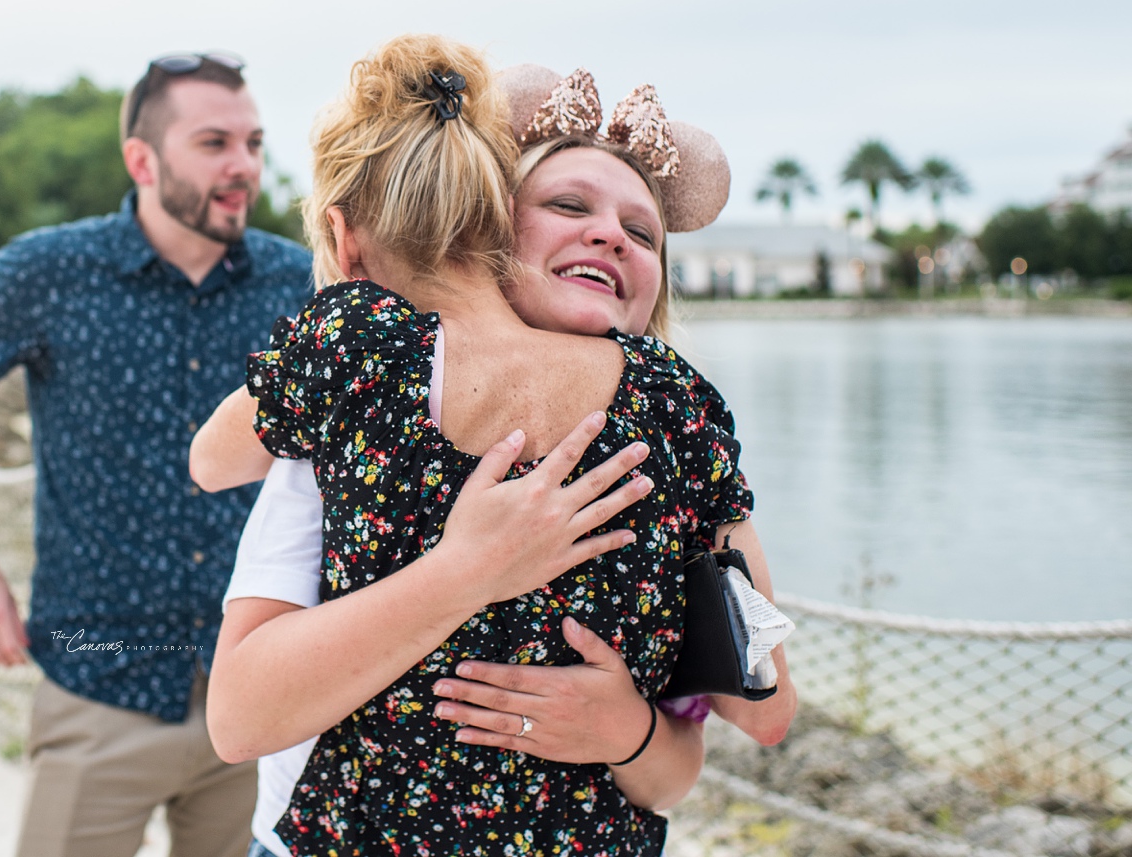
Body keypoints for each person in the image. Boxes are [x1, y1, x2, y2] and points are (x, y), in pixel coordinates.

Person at [201, 36, 794, 856]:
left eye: (643, 233)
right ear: (485, 222)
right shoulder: (363, 396)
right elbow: (240, 714)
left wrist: (627, 727)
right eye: (571, 206)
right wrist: (466, 569)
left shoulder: (684, 423)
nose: (613, 236)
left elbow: (761, 704)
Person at [0, 52, 313, 857]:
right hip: (98, 690)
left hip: (264, 701)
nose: (243, 165)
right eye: (214, 142)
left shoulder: (304, 284)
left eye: (253, 142)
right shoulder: (45, 271)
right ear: (142, 159)